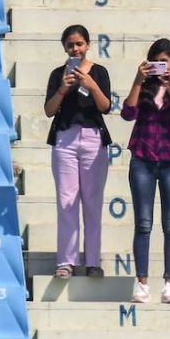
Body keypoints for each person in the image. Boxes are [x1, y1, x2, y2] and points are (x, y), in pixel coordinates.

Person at [121, 38, 170, 303]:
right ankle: (142, 284)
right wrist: (138, 80)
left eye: (165, 61)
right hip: (143, 158)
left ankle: (169, 284)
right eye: (157, 62)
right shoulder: (144, 88)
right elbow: (127, 114)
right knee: (143, 224)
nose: (161, 66)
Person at [44, 24, 113, 279]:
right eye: (70, 45)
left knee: (92, 201)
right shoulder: (58, 74)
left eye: (79, 44)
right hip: (65, 139)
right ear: (64, 47)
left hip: (93, 138)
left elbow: (105, 106)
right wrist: (63, 87)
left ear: (87, 45)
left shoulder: (99, 72)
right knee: (67, 201)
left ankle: (93, 261)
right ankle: (66, 261)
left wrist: (91, 84)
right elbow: (49, 110)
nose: (75, 49)